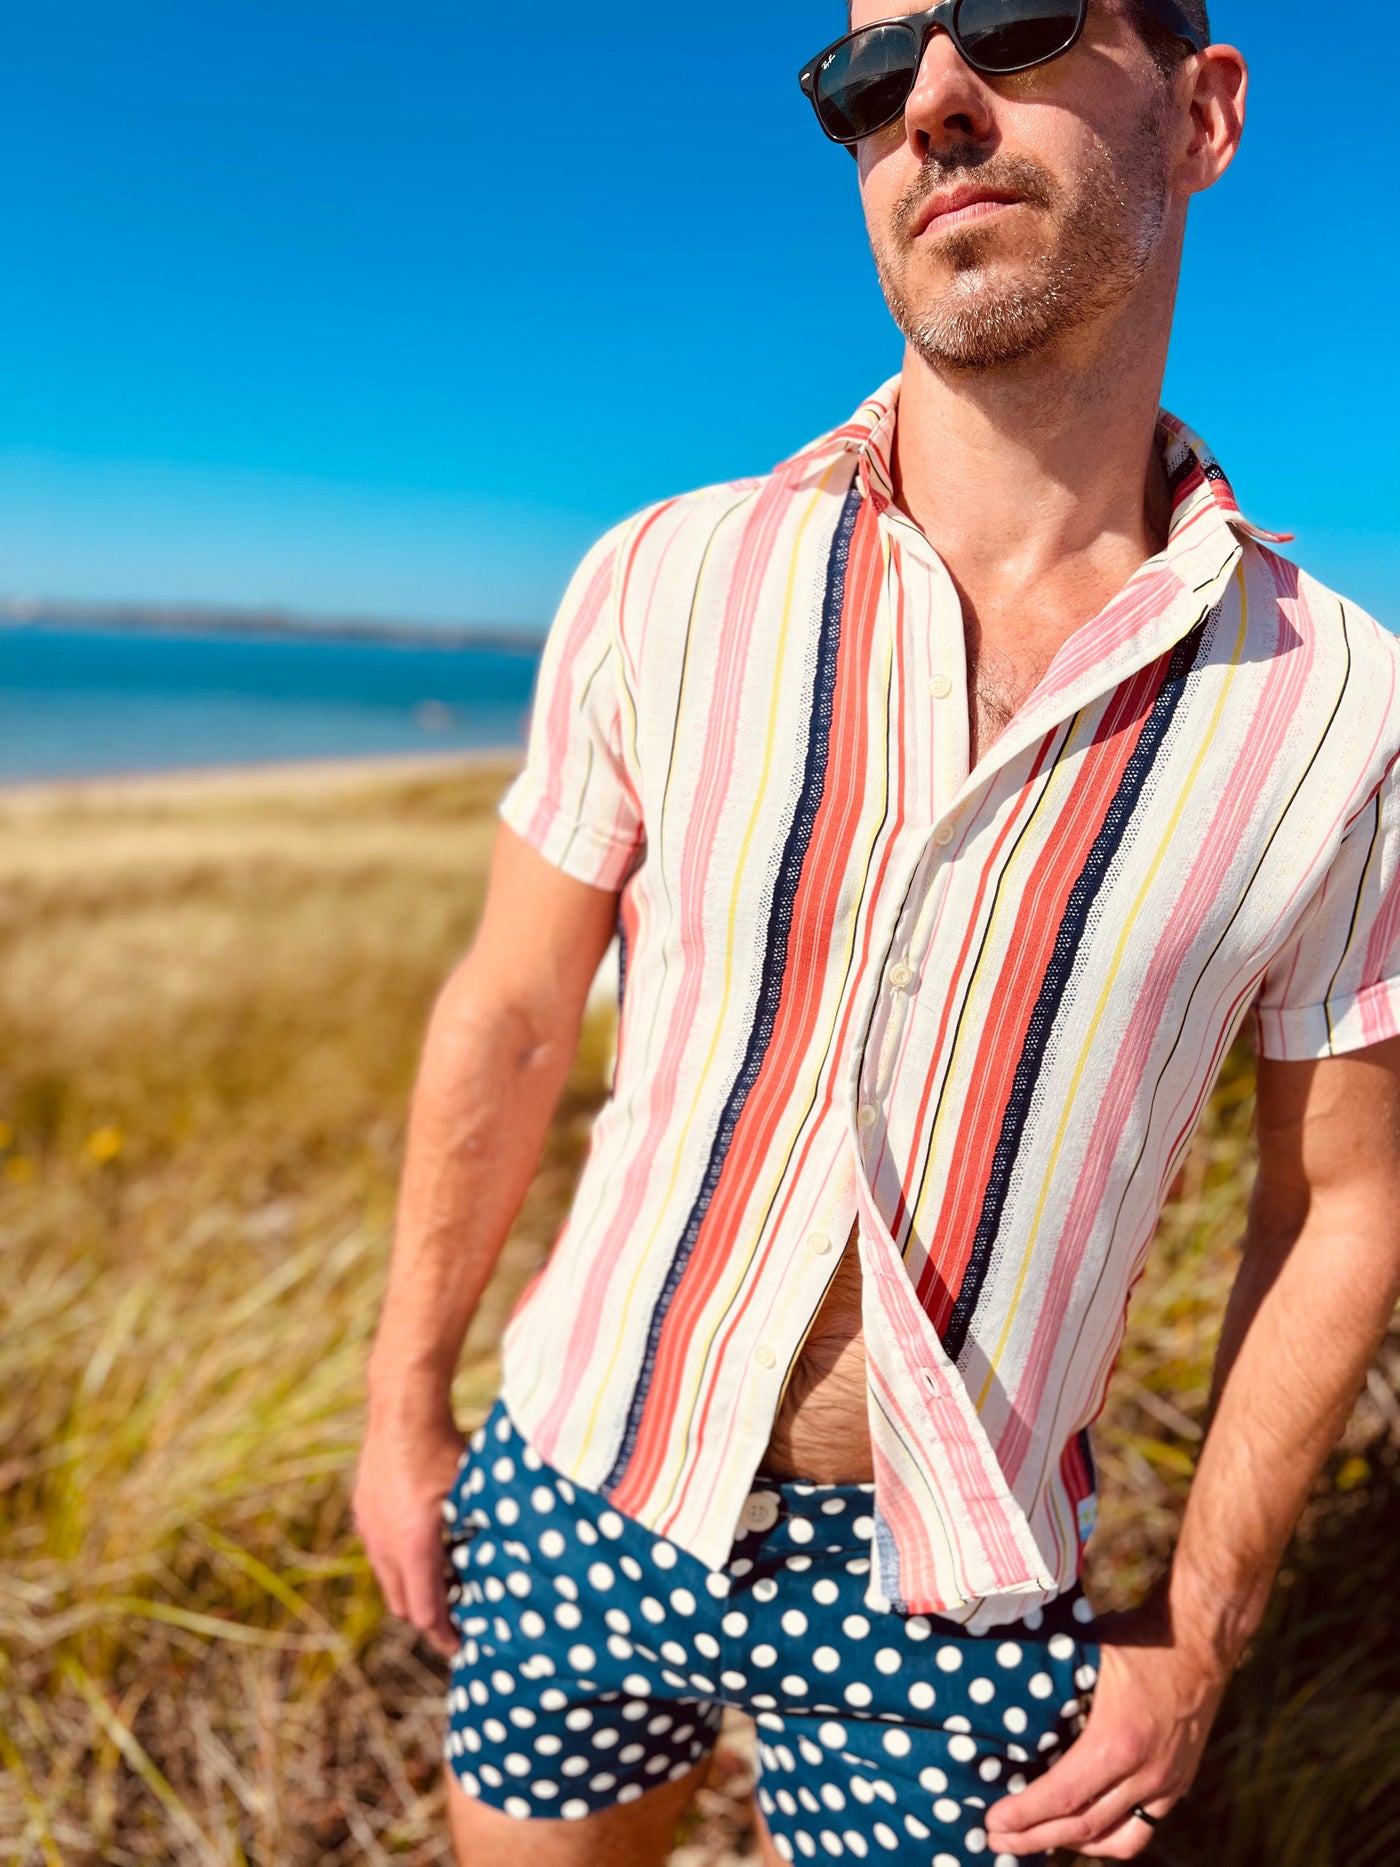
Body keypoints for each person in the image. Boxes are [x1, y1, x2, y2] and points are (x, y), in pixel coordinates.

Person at [354, 1, 1400, 1861]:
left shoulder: (1339, 710)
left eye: (1013, 24)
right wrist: (401, 1402)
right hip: (581, 1469)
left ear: (1205, 112)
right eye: (865, 72)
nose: (929, 99)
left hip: (959, 1584)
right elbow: (514, 1013)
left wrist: (1204, 1634)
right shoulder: (662, 580)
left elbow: (1337, 1203)